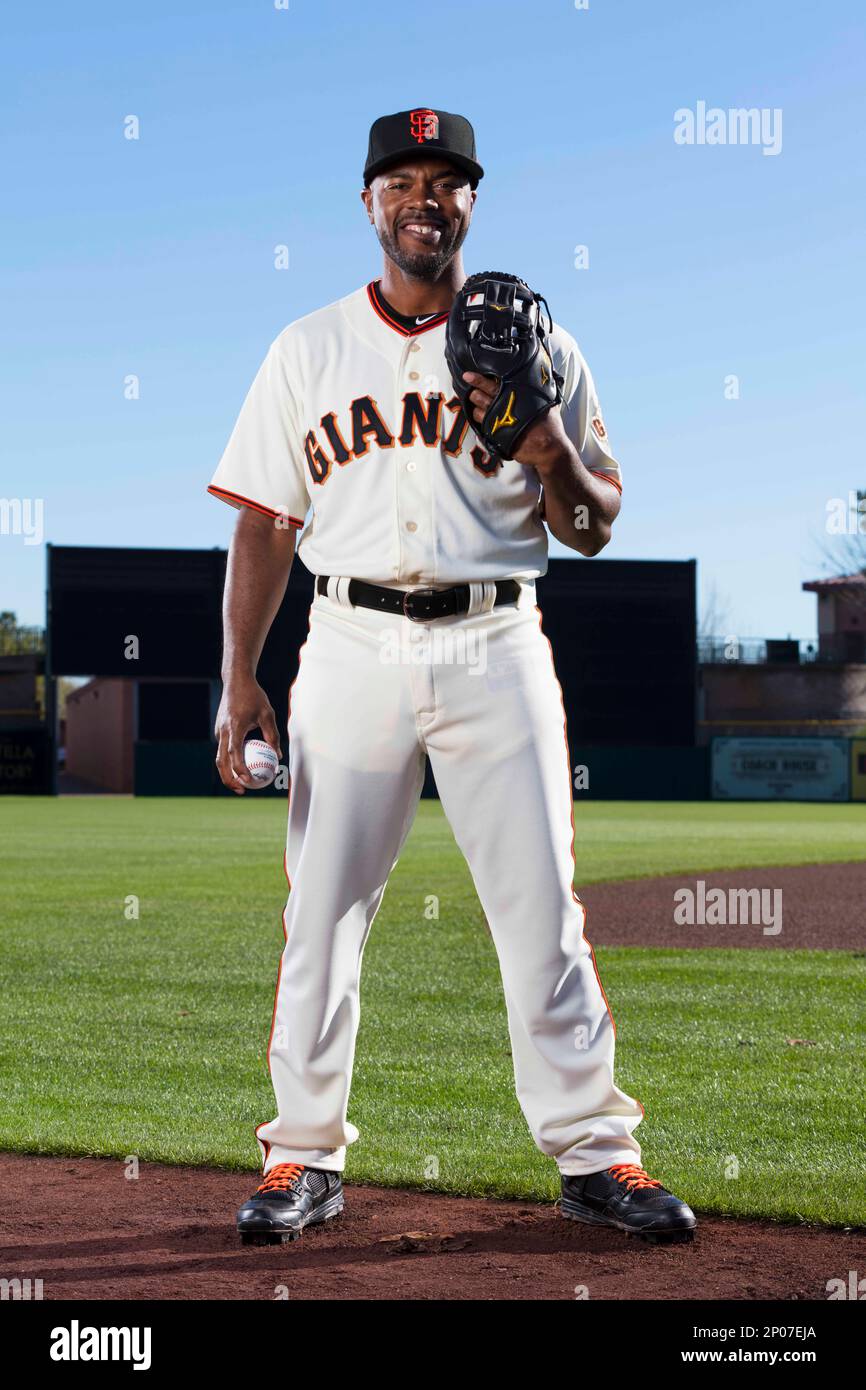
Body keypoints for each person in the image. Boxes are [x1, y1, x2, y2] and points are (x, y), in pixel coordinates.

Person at [209, 107, 696, 1247]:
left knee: (540, 913)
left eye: (445, 179)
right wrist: (240, 679)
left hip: (495, 641)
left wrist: (548, 448)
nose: (422, 197)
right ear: (367, 203)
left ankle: (596, 1154)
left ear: (471, 201)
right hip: (346, 646)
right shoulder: (305, 349)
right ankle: (300, 1156)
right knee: (320, 917)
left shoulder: (546, 343)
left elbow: (592, 525)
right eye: (400, 178)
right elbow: (266, 529)